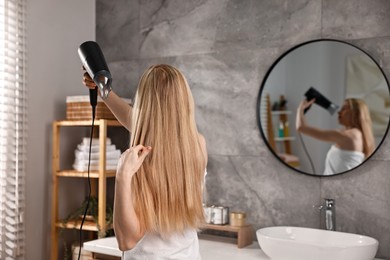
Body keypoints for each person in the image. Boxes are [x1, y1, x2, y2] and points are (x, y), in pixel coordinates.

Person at [83, 64, 208, 259]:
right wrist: (103, 90)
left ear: (144, 102)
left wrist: (123, 176)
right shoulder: (198, 145)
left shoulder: (139, 159)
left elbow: (126, 241)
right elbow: (133, 118)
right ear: (185, 100)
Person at [296, 98, 374, 175]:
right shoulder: (357, 135)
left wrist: (300, 107)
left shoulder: (350, 136)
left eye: (344, 109)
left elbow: (300, 128)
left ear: (355, 113)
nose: (339, 112)